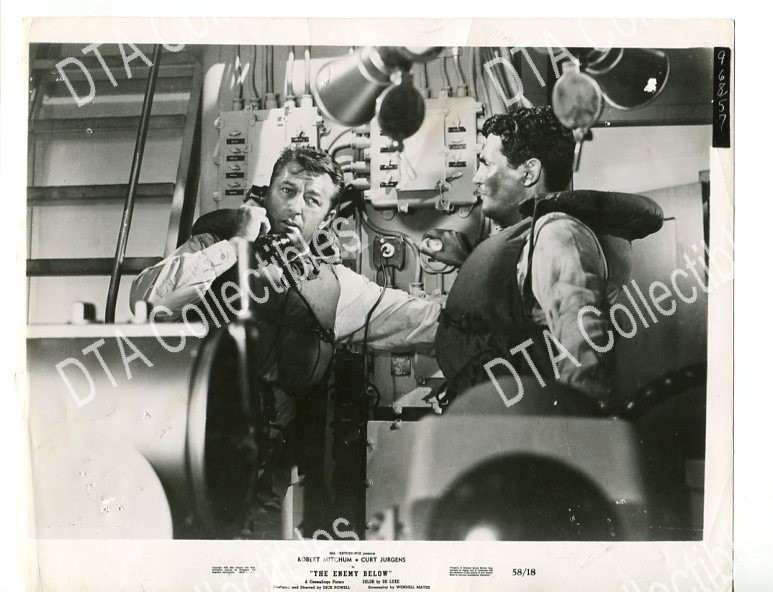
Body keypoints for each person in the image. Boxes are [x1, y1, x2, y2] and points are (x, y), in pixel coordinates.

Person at [131, 146, 441, 536]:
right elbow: (147, 298)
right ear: (265, 195)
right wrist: (237, 244)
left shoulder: (333, 286)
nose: (295, 207)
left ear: (328, 217)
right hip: (186, 456)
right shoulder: (212, 245)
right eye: (287, 191)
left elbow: (418, 320)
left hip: (265, 479)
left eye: (312, 200)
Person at [424, 106, 663, 408]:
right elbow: (521, 311)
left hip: (526, 420)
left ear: (529, 172)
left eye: (486, 164)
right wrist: (467, 259)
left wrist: (576, 424)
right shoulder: (537, 234)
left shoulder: (557, 233)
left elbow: (583, 335)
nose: (477, 178)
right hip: (503, 413)